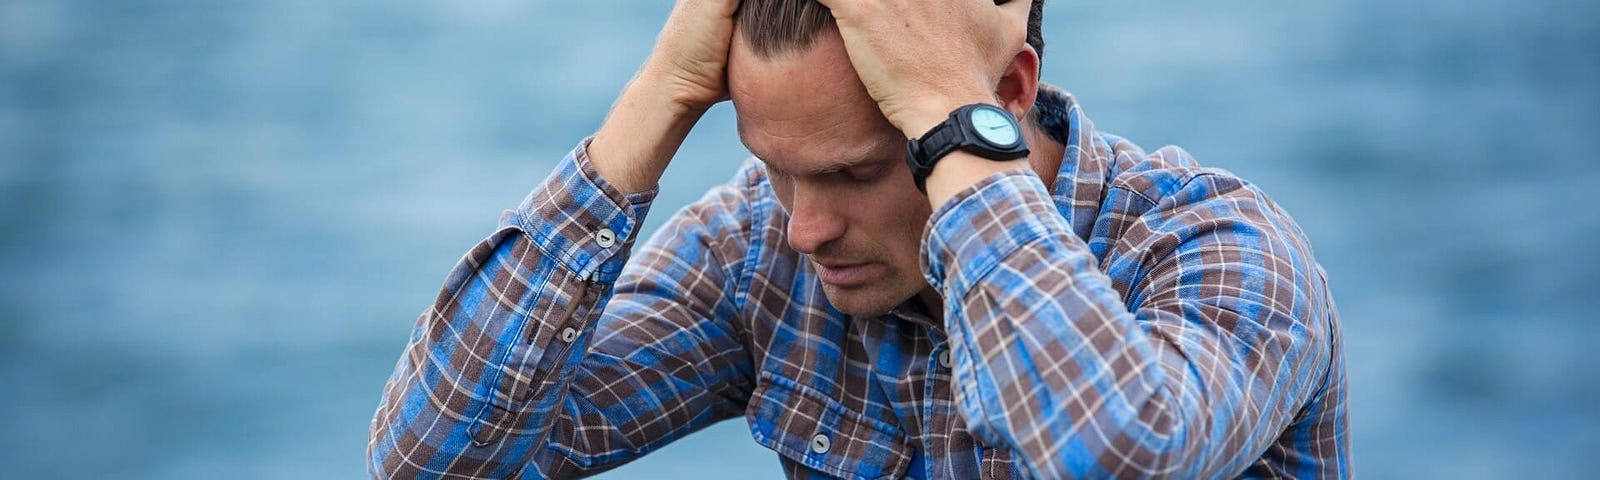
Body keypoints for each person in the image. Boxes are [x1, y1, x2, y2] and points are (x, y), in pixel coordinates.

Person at [366, 0, 1350, 477]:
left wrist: (954, 125)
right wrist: (658, 99)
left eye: (852, 172)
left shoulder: (1219, 250)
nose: (803, 226)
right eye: (774, 165)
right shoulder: (757, 252)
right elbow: (431, 460)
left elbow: (1119, 456)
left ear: (1008, 92)